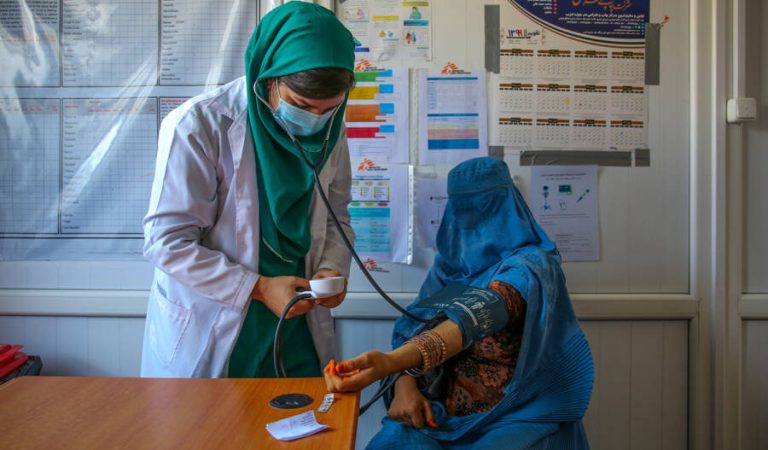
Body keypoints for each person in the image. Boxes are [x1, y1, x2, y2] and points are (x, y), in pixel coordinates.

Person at [140, 2, 357, 378]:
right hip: (215, 323)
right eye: (301, 106)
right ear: (268, 79)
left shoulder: (330, 130)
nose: (315, 120)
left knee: (305, 411)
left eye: (329, 109)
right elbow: (167, 242)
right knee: (215, 417)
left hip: (298, 325)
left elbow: (336, 216)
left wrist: (330, 268)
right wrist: (256, 287)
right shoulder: (199, 126)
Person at [324, 157, 594, 449]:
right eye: (462, 209)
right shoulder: (448, 269)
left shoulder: (532, 266)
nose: (473, 220)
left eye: (486, 206)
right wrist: (404, 385)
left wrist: (391, 362)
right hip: (442, 414)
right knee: (390, 442)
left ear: (509, 205)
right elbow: (409, 329)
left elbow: (481, 313)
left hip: (516, 414)